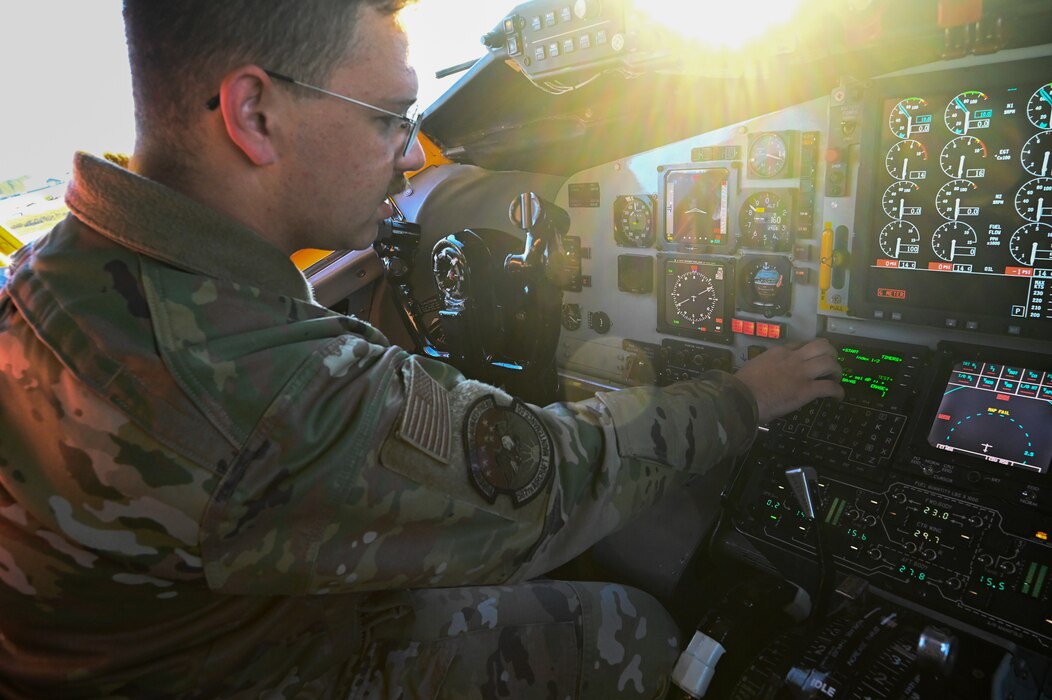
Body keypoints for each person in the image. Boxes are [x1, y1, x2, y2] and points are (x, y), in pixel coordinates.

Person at [0, 1, 844, 697]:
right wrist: (745, 397)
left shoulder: (53, 271)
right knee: (638, 628)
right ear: (255, 114)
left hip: (144, 644)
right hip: (247, 669)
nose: (409, 157)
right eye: (389, 121)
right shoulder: (264, 385)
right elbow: (549, 483)